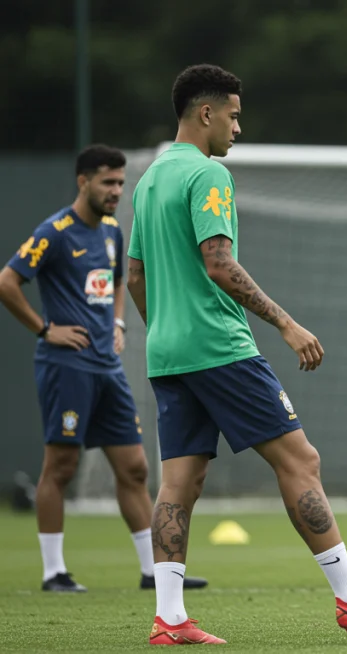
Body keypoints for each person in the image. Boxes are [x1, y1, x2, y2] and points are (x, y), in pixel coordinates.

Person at [127, 64, 347, 645]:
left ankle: (169, 618)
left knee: (179, 484)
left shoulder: (148, 180)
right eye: (235, 116)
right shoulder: (206, 175)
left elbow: (136, 273)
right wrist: (286, 323)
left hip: (168, 353)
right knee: (300, 460)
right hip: (220, 348)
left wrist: (165, 326)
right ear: (206, 113)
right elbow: (219, 261)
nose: (240, 128)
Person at [0, 145, 206, 593]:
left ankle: (152, 571)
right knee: (62, 465)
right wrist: (44, 329)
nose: (116, 191)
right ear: (83, 182)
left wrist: (116, 322)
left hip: (106, 366)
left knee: (134, 468)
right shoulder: (54, 232)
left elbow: (117, 280)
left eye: (119, 182)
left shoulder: (112, 231)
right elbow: (7, 281)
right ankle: (54, 572)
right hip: (65, 366)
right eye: (108, 183)